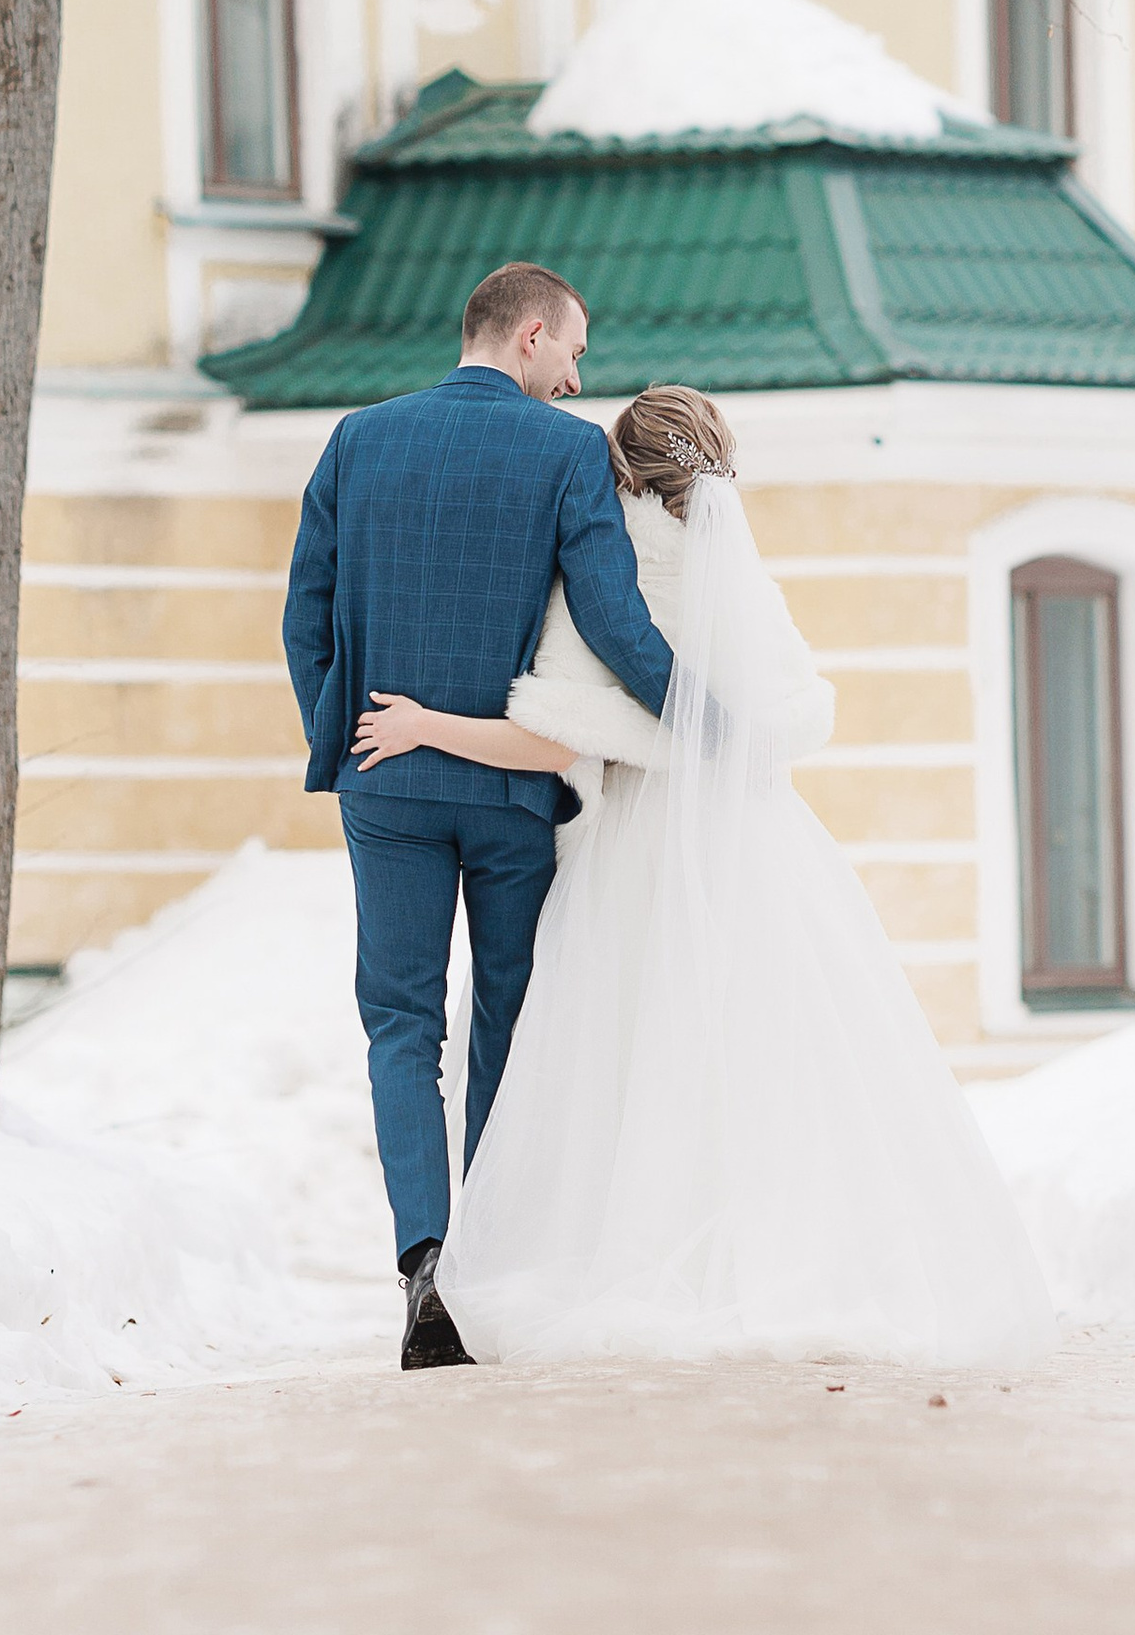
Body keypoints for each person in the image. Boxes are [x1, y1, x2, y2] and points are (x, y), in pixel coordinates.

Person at [353, 384, 1055, 1368]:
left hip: (642, 842)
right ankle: (784, 1264)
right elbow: (788, 705)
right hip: (764, 844)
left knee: (631, 1065)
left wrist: (423, 725)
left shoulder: (611, 562)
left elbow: (550, 739)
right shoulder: (740, 572)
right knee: (762, 1061)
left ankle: (642, 1269)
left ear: (622, 471)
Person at [281, 262, 672, 1371]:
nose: (577, 374)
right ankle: (491, 1262)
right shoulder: (566, 452)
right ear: (531, 334)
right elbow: (612, 616)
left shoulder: (357, 438)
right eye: (575, 351)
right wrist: (700, 715)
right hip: (508, 789)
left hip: (386, 781)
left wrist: (345, 733)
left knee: (402, 1026)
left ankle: (424, 1260)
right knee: (508, 1015)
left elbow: (302, 615)